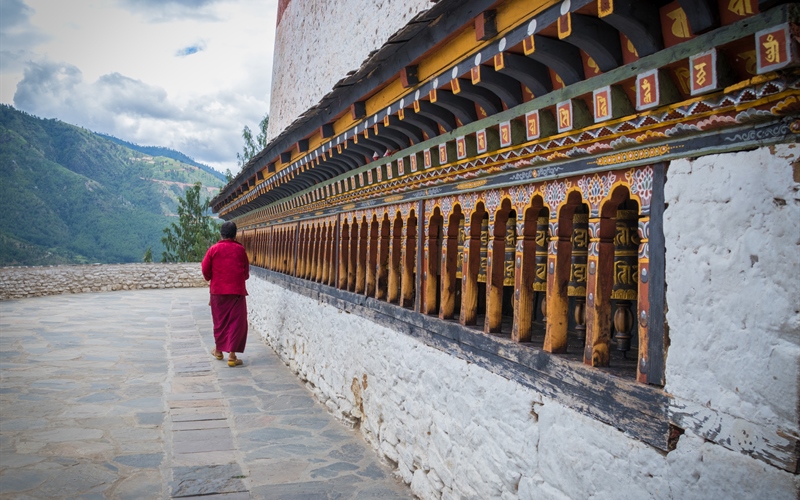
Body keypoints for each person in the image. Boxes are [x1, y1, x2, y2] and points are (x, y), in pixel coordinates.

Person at [201, 221, 250, 367]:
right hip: (236, 291)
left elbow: (205, 270)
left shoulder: (213, 249)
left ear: (221, 234)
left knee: (220, 322)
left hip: (218, 292)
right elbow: (246, 272)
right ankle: (232, 356)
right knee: (236, 323)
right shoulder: (240, 250)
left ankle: (218, 351)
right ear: (235, 234)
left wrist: (213, 278)